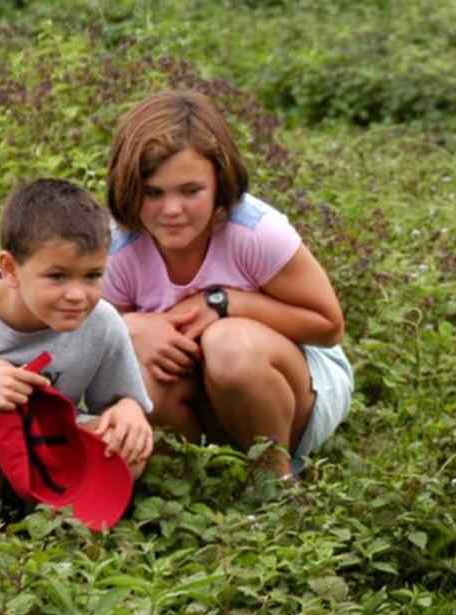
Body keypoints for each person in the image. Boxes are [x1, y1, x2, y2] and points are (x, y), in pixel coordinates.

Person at [103, 90, 352, 477]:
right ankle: (198, 482)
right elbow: (85, 344)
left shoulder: (253, 232)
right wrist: (130, 327)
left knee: (228, 345)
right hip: (196, 400)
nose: (171, 210)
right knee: (136, 367)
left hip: (293, 391)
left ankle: (274, 484)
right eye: (153, 192)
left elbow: (328, 327)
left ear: (219, 182)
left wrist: (225, 303)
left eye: (191, 191)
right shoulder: (118, 249)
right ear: (130, 186)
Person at [0, 178, 154, 518]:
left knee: (126, 448)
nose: (78, 294)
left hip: (41, 449)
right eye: (57, 276)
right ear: (10, 270)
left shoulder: (102, 322)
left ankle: (52, 520)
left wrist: (129, 410)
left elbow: (118, 407)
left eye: (92, 275)